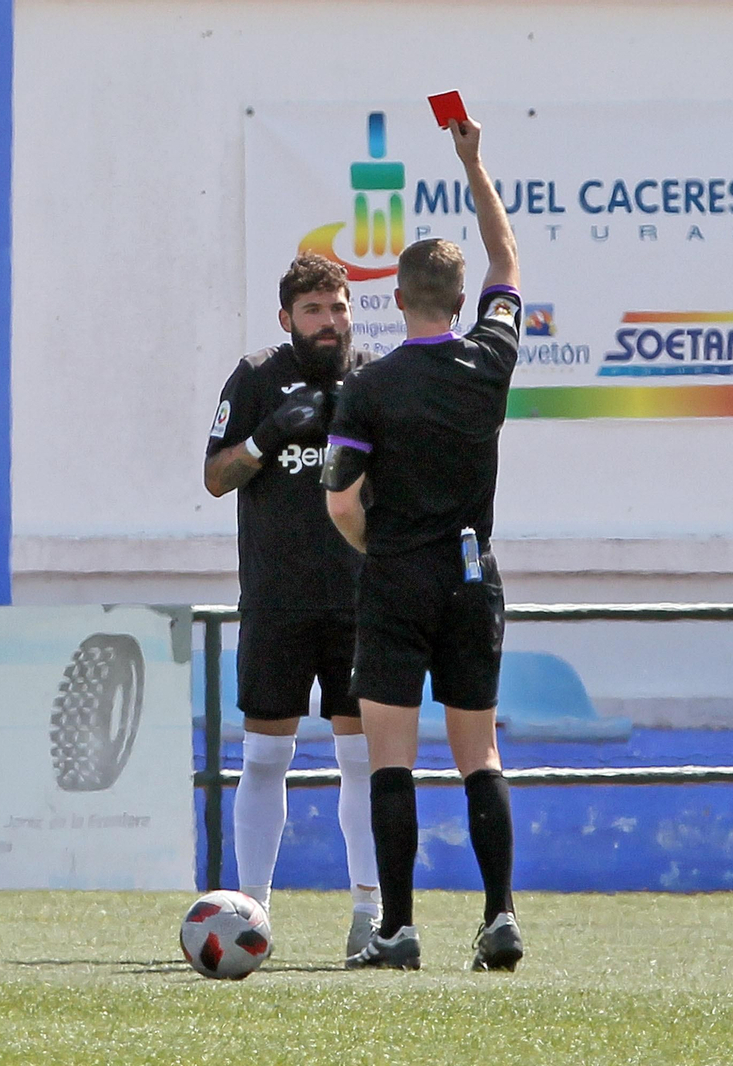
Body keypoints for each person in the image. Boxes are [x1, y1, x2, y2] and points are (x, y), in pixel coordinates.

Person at [323, 116, 523, 972]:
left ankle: (399, 931)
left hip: (398, 575)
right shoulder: (492, 360)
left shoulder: (368, 386)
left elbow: (338, 505)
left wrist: (384, 549)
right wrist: (475, 165)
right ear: (460, 297)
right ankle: (501, 916)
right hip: (473, 576)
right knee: (478, 751)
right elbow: (507, 262)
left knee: (389, 759)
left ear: (397, 298)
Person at [203, 254, 382, 958]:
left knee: (365, 763)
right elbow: (217, 476)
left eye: (338, 308)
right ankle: (252, 915)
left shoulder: (373, 376)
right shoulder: (255, 375)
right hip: (276, 600)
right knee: (266, 757)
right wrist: (268, 435)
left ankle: (370, 915)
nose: (329, 322)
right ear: (288, 319)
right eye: (314, 310)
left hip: (360, 602)